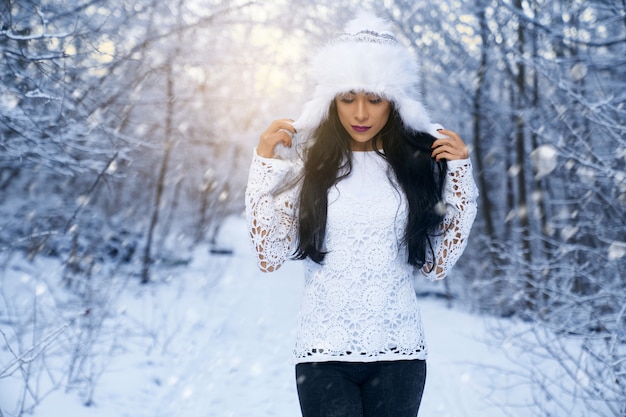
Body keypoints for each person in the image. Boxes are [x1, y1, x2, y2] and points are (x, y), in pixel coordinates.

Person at [245, 12, 478, 417]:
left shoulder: (417, 168)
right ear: (331, 101)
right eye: (348, 97)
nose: (360, 114)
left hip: (399, 353)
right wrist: (264, 163)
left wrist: (459, 174)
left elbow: (438, 265)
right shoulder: (308, 168)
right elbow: (268, 255)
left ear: (395, 102)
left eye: (374, 98)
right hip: (322, 354)